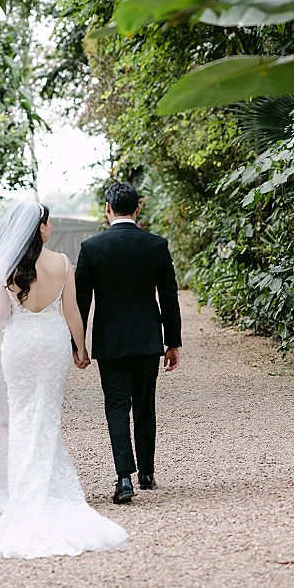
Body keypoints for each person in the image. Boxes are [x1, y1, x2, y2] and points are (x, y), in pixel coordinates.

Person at [0, 200, 127, 559]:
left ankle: (25, 491)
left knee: (22, 413)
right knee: (47, 411)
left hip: (19, 345)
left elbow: (3, 314)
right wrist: (80, 349)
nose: (50, 227)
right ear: (42, 227)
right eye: (48, 222)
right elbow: (72, 312)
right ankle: (47, 485)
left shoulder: (5, 268)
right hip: (52, 345)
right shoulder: (62, 263)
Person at [75, 182, 182, 505]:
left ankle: (124, 478)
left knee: (117, 409)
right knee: (145, 406)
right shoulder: (156, 245)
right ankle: (147, 473)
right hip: (148, 339)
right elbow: (169, 298)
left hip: (110, 343)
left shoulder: (92, 248)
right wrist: (172, 342)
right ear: (138, 209)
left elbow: (81, 302)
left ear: (108, 208)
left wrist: (77, 345)